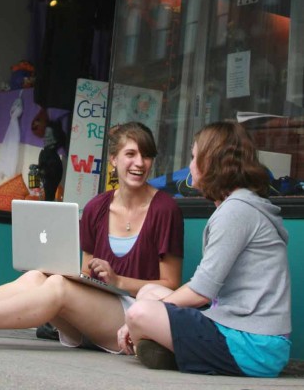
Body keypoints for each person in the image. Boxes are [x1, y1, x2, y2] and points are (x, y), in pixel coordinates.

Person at [0, 121, 184, 352]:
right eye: (130, 154)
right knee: (36, 277)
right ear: (113, 161)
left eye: (146, 156)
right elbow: (84, 270)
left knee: (57, 286)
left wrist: (118, 281)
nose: (140, 163)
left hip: (132, 318)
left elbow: (171, 286)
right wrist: (81, 271)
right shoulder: (97, 207)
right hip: (90, 315)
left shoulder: (164, 209)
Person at [118, 120, 292, 378]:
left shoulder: (236, 211)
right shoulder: (238, 206)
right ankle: (171, 349)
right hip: (243, 332)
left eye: (193, 157)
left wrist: (132, 322)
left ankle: (168, 349)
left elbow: (201, 292)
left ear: (210, 162)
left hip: (254, 346)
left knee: (140, 311)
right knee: (148, 292)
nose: (189, 165)